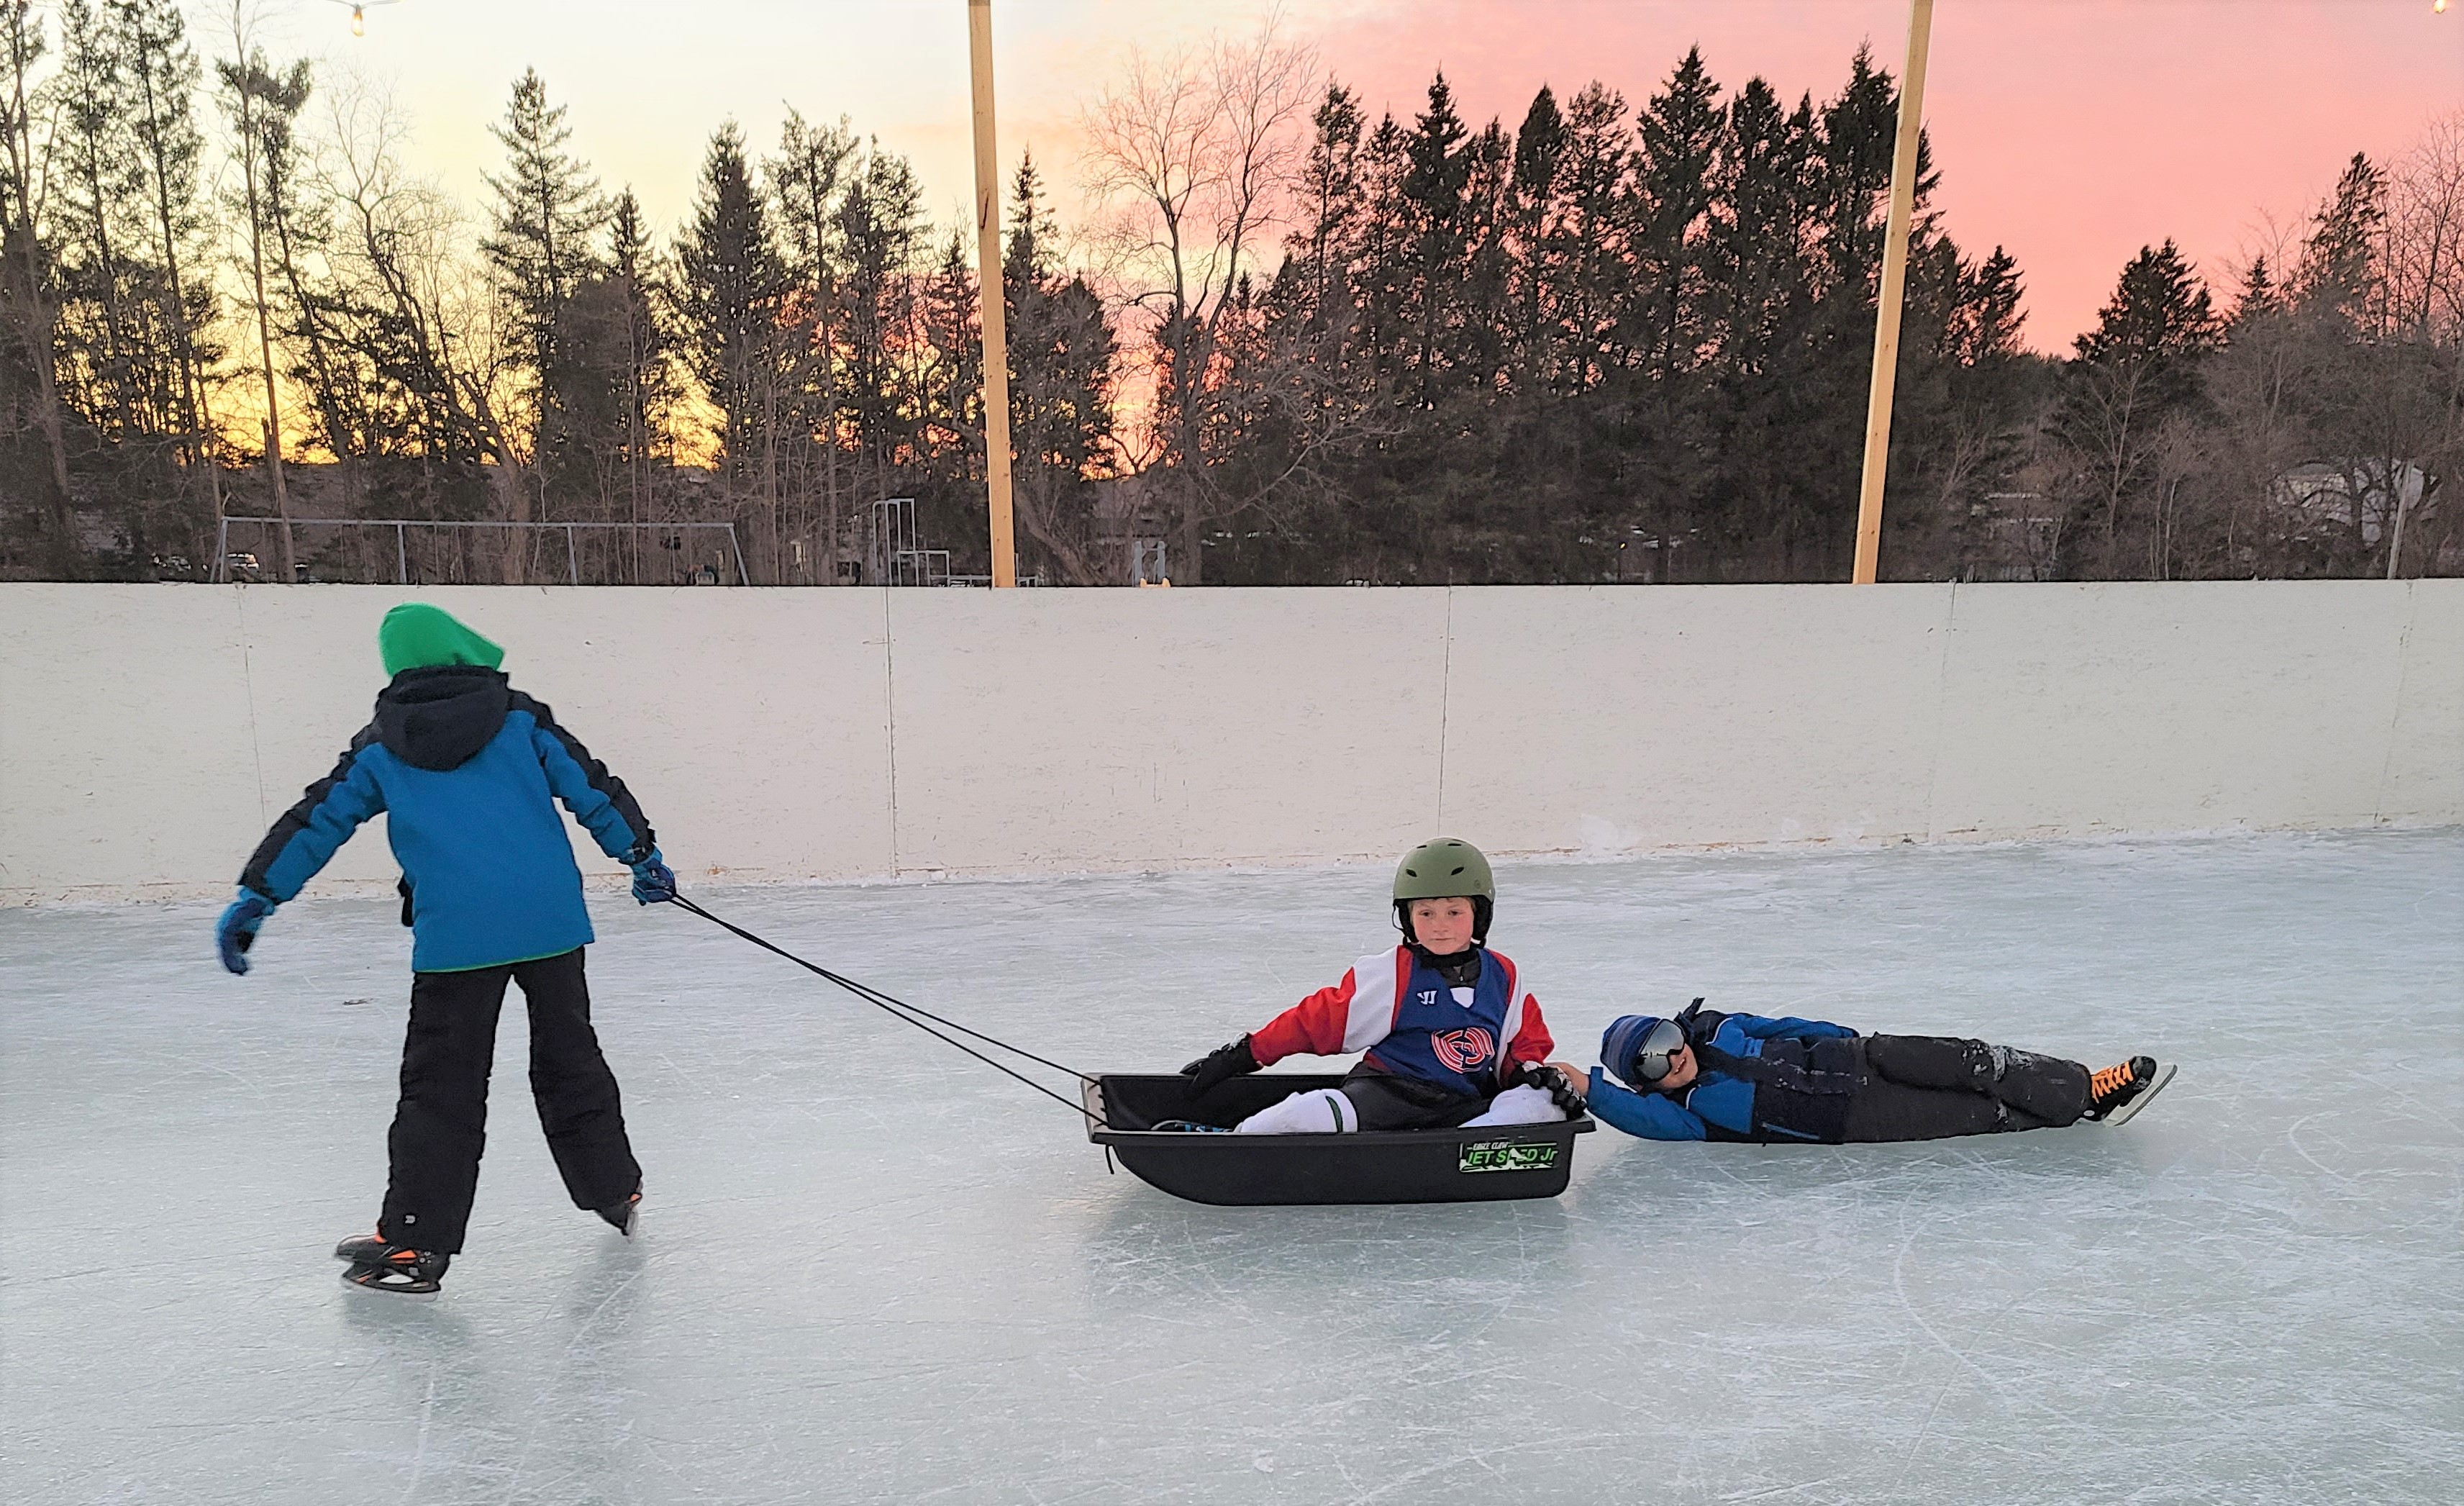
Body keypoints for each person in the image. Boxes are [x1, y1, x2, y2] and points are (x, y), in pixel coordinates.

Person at [215, 603, 678, 1297]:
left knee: (442, 1087)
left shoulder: (383, 742)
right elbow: (591, 786)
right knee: (569, 1057)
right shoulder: (520, 717)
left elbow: (318, 818)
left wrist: (259, 894)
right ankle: (616, 1191)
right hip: (549, 922)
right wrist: (640, 856)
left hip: (456, 937)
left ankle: (415, 1239)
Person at [1176, 838, 1588, 1133]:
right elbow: (1318, 1020)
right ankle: (1234, 1140)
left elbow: (1521, 1045)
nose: (1440, 925)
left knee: (1545, 1103)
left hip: (1465, 1107)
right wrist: (1245, 1054)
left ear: (1479, 915)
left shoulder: (1504, 976)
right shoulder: (1392, 973)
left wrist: (1531, 1075)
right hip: (1389, 1095)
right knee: (1310, 1114)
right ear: (1407, 919)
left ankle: (1469, 1146)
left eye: (1453, 911)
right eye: (1425, 913)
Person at [1581, 999, 2176, 1144]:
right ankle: (2075, 1110)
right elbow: (1631, 1115)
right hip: (1855, 1116)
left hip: (1865, 1057)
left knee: (1973, 1059)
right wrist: (1584, 1088)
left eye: (1664, 1037)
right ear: (1644, 1082)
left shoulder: (1714, 1027)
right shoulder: (1685, 1117)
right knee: (1970, 1112)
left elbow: (1779, 1026)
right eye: (1651, 1062)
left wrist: (1843, 1037)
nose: (1670, 1055)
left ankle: (2083, 1086)